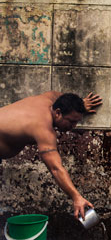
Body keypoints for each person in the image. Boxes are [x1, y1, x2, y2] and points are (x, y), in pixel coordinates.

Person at [0, 91, 102, 219]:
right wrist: (76, 197)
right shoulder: (43, 129)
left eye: (76, 122)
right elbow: (55, 168)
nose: (73, 126)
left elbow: (61, 96)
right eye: (71, 121)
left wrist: (80, 104)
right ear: (58, 113)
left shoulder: (49, 99)